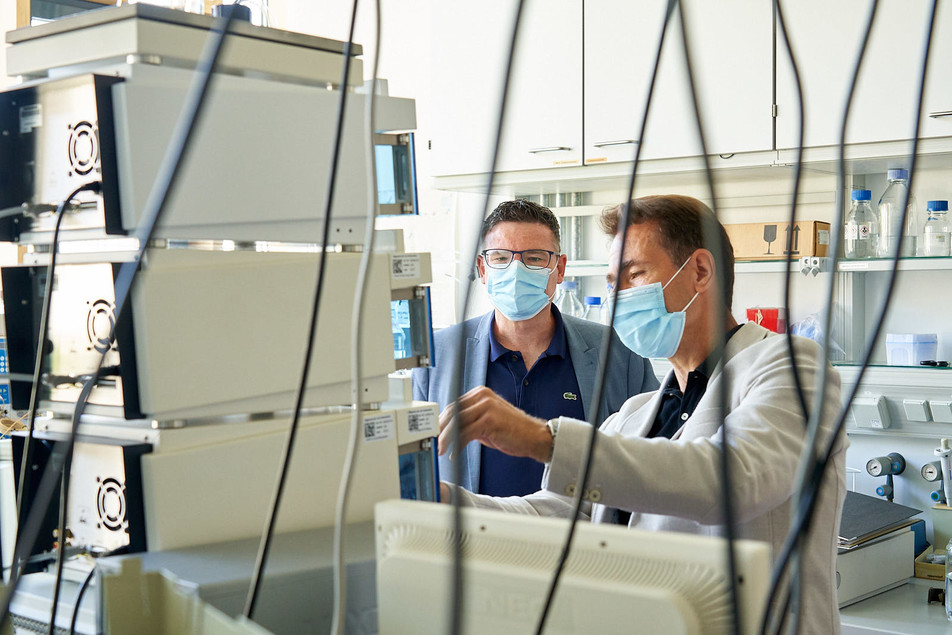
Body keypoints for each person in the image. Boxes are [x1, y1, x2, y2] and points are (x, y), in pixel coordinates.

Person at [437, 195, 848, 634]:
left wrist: (543, 439)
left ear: (700, 271)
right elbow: (555, 515)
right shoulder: (636, 414)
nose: (620, 297)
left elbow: (732, 480)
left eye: (636, 275)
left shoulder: (791, 367)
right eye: (614, 282)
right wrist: (440, 500)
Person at [413, 199, 658, 497]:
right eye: (501, 258)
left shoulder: (619, 352)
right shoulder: (436, 356)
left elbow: (651, 459)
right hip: (475, 538)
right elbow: (415, 466)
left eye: (534, 258)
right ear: (482, 269)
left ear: (560, 268)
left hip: (583, 538)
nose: (516, 271)